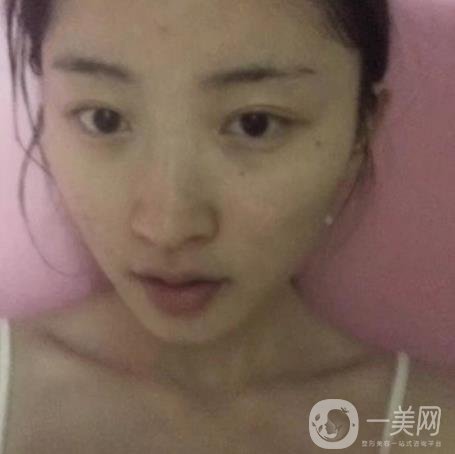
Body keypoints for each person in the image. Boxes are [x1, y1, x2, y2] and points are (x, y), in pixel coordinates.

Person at [2, 0, 454, 453]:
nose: (169, 228)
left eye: (255, 124)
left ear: (361, 132)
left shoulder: (430, 430)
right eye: (104, 119)